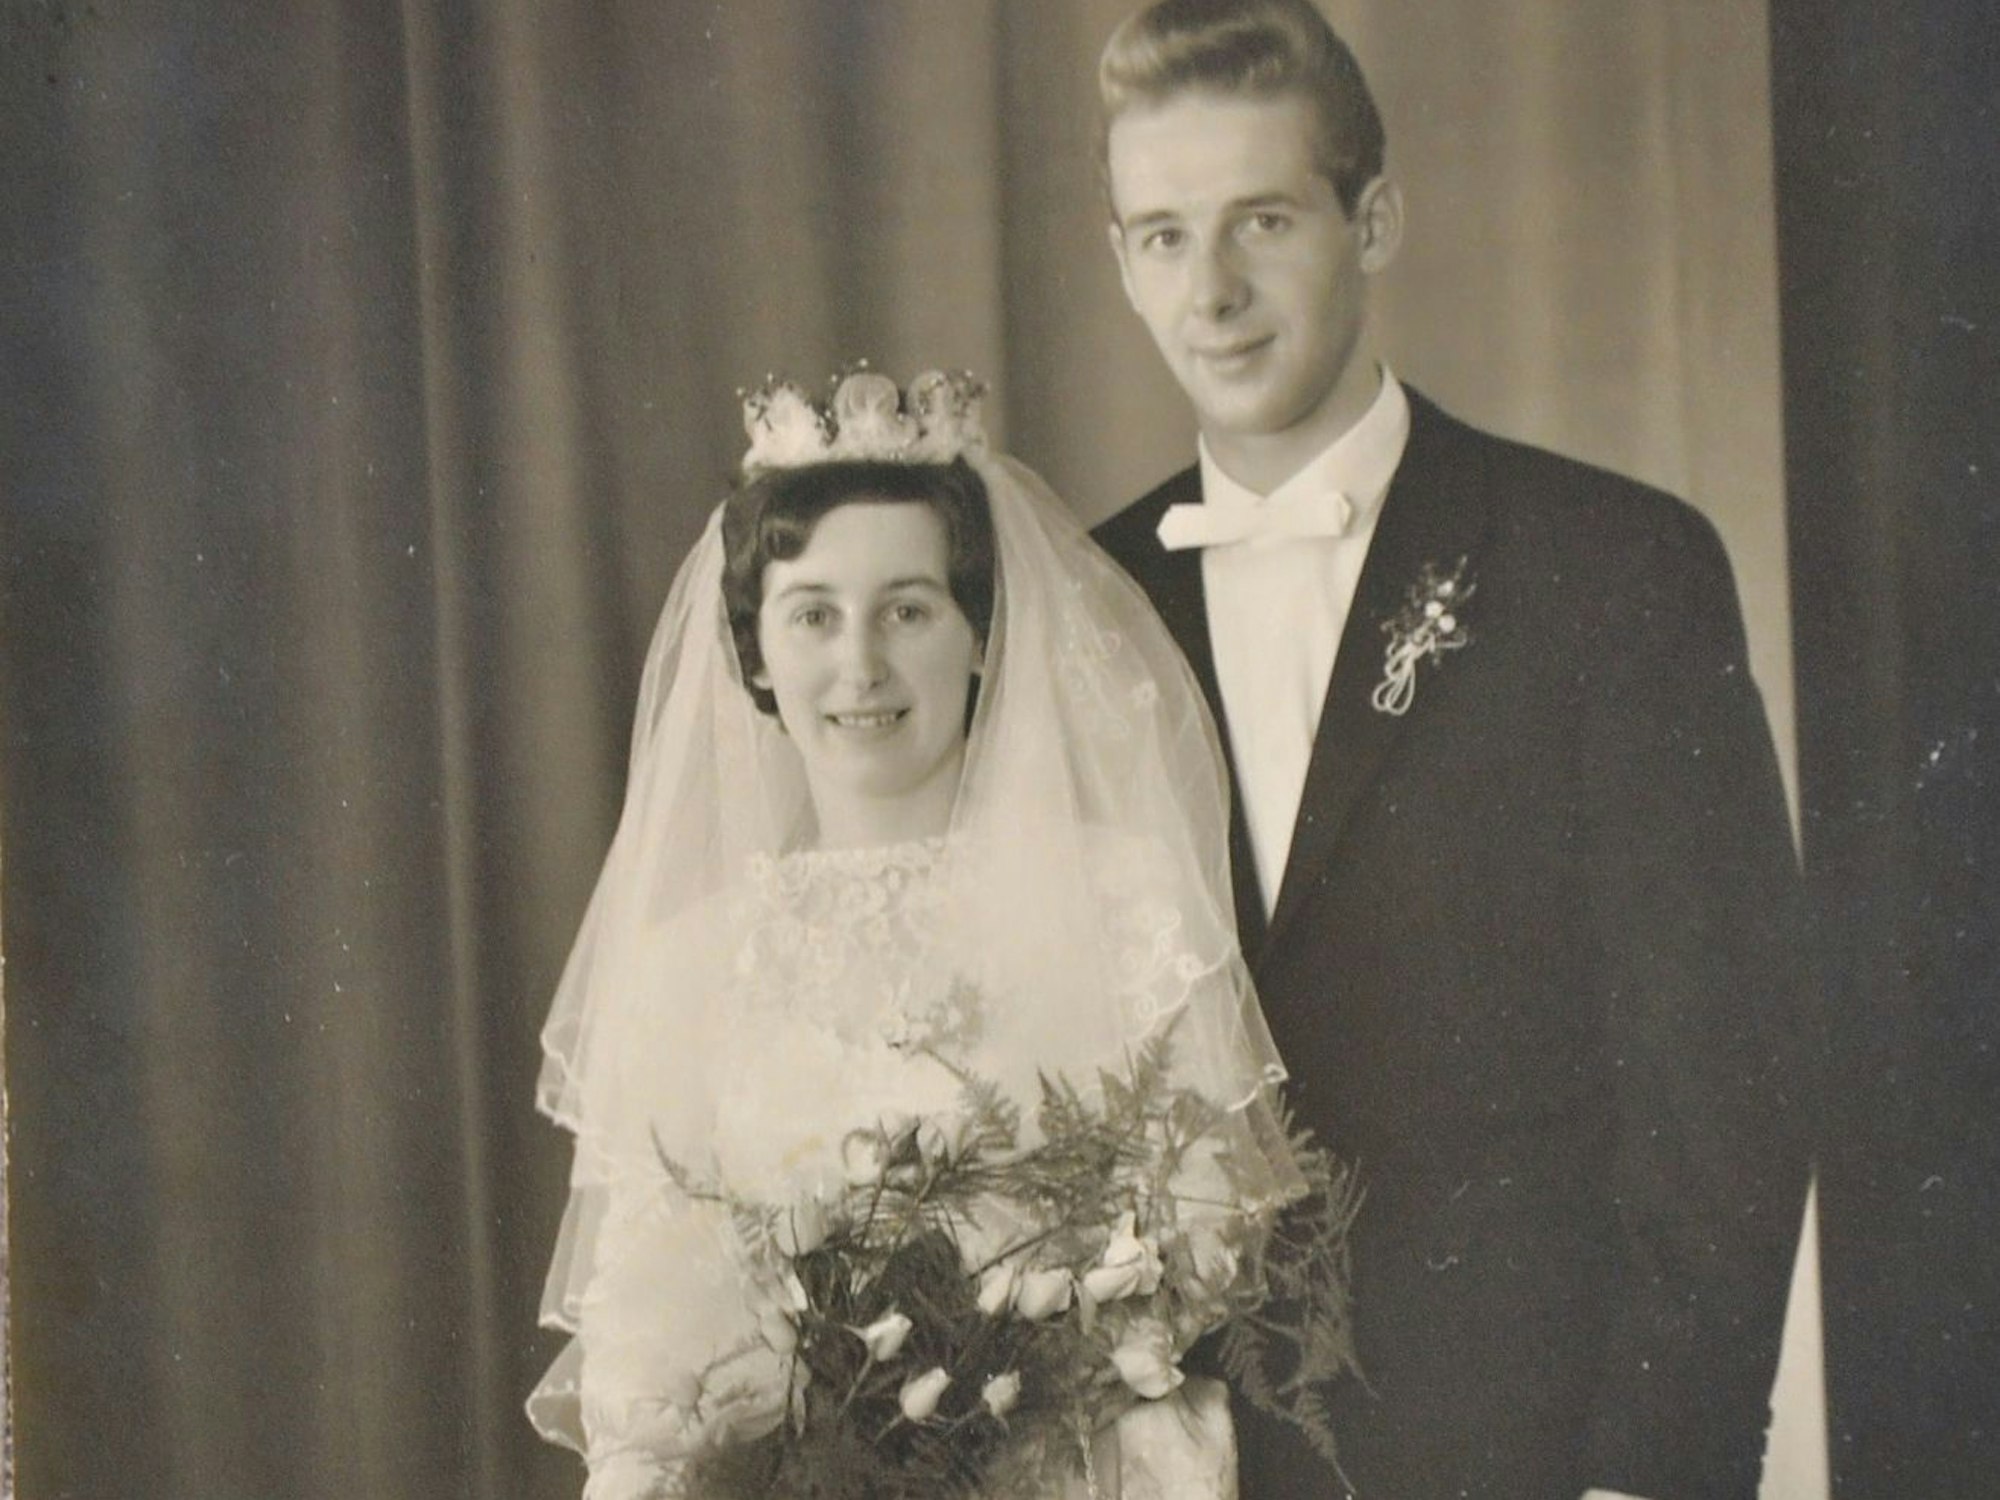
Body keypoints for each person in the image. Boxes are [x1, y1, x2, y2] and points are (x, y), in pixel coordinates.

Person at [1088, 4, 1815, 1498]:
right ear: (1121, 261)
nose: (1210, 292)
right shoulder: (1083, 605)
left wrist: (1650, 1472)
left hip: (1529, 1453)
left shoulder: (1609, 565)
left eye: (1262, 221)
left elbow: (1728, 1081)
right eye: (1163, 237)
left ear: (1372, 220)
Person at [526, 368, 1301, 1499]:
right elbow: (648, 1322)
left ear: (981, 633)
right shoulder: (688, 962)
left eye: (906, 609)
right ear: (754, 654)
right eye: (813, 615)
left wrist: (1011, 1364)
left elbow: (1204, 1231)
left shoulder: (1119, 900)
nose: (861, 666)